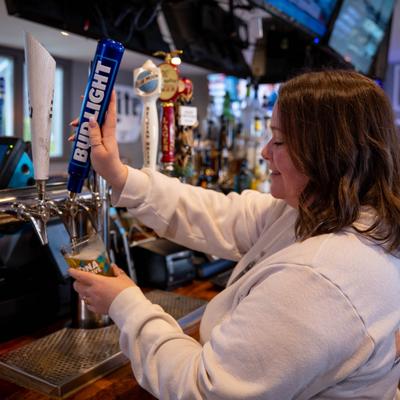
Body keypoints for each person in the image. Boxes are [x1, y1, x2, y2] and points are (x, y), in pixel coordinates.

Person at [69, 69, 400, 400]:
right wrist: (119, 175)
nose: (265, 152)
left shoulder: (319, 280)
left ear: (328, 153)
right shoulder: (330, 215)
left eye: (280, 140)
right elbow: (222, 215)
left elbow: (202, 388)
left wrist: (125, 303)